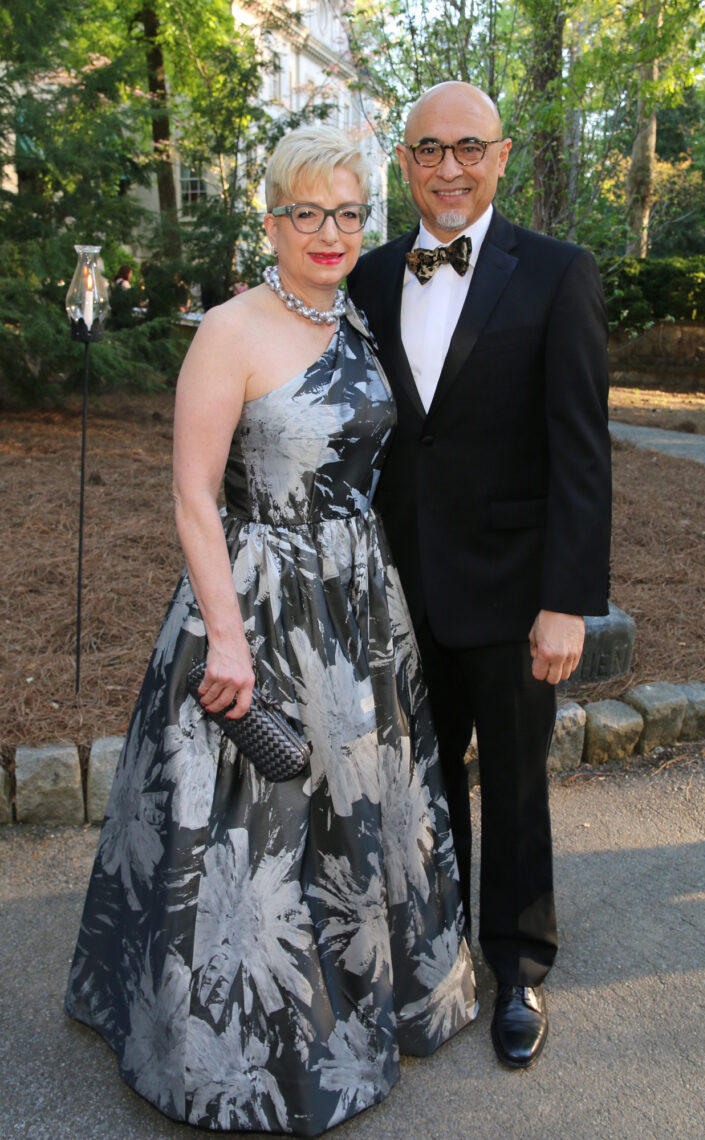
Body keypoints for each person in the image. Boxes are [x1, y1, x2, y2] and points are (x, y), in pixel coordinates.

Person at [65, 125, 477, 1135]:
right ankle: (241, 1050)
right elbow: (193, 497)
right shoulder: (231, 331)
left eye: (346, 212)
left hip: (353, 603)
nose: (329, 232)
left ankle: (366, 996)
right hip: (253, 597)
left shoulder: (358, 323)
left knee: (352, 804)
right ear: (272, 220)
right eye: (306, 212)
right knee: (257, 818)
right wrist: (226, 635)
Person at [348, 82, 612, 1071]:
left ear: (501, 156)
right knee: (419, 786)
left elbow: (581, 451)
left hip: (513, 593)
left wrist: (565, 603)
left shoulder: (556, 273)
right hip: (396, 589)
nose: (449, 168)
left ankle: (518, 964)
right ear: (405, 161)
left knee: (512, 784)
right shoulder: (370, 277)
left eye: (468, 147)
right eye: (428, 149)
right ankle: (437, 948)